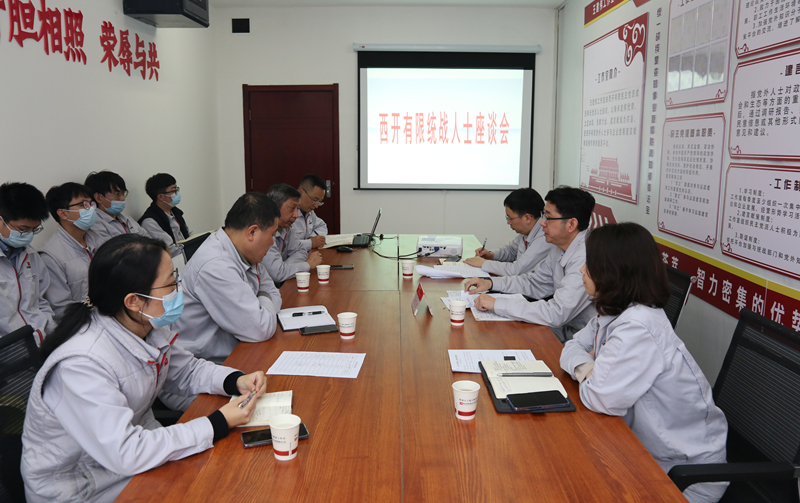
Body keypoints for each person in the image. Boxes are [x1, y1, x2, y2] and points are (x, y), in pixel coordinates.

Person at [21, 234, 265, 503]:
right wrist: (217, 422)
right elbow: (127, 451)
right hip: (84, 489)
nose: (178, 290)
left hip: (136, 459)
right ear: (133, 301)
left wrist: (235, 380)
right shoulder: (81, 365)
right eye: (170, 284)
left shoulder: (143, 324)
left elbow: (186, 371)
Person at [560, 223, 728, 503]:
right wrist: (588, 369)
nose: (581, 270)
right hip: (639, 448)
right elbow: (571, 347)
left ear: (614, 271)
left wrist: (592, 376)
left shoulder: (638, 326)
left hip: (684, 476)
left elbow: (599, 398)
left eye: (590, 265)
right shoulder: (614, 310)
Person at [466, 186, 596, 342]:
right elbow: (534, 282)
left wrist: (498, 304)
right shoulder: (558, 247)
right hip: (566, 329)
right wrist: (490, 283)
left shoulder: (586, 257)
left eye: (548, 217)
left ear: (571, 224)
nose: (542, 223)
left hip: (586, 341)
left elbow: (556, 313)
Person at [174, 192, 283, 365]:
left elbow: (274, 292)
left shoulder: (244, 252)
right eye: (272, 234)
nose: (272, 242)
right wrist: (264, 299)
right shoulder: (216, 265)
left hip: (241, 348)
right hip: (206, 366)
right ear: (252, 232)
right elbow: (261, 328)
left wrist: (262, 304)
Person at [39, 182, 106, 320]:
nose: (91, 209)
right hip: (84, 322)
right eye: (83, 205)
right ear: (63, 213)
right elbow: (61, 309)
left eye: (91, 204)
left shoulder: (98, 239)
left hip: (110, 312)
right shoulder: (51, 255)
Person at [0, 182, 56, 344]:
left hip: (41, 342)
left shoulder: (30, 255)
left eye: (34, 230)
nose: (29, 236)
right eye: (23, 229)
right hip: (9, 352)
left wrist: (55, 336)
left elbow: (40, 302)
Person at [464, 187, 551, 276]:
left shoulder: (544, 238)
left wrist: (484, 263)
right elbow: (511, 250)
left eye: (510, 218)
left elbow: (517, 270)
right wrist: (491, 255)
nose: (508, 222)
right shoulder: (527, 232)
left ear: (527, 218)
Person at [263, 183, 323, 283]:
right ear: (274, 207)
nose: (296, 215)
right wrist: (308, 265)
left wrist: (285, 268)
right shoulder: (263, 231)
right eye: (292, 208)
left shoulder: (286, 228)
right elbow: (277, 274)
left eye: (298, 209)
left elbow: (301, 250)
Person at [85, 170, 150, 240]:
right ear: (99, 198)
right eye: (117, 194)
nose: (123, 198)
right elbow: (110, 246)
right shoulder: (94, 223)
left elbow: (150, 240)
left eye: (123, 193)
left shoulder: (128, 219)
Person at [139, 173, 191, 258]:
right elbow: (171, 251)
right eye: (173, 191)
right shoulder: (150, 222)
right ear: (161, 197)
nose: (177, 193)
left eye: (177, 189)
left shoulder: (176, 212)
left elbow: (188, 235)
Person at [291, 174, 328, 251]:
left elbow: (321, 225)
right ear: (301, 192)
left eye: (319, 202)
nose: (316, 205)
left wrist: (313, 237)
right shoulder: (287, 213)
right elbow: (287, 245)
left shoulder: (308, 211)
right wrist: (310, 243)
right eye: (314, 200)